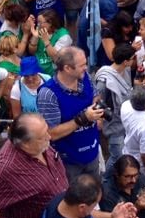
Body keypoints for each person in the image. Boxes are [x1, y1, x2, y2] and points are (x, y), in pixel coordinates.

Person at [38, 46, 105, 180]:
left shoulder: (84, 77)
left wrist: (98, 116)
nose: (86, 68)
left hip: (92, 153)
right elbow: (50, 133)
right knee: (74, 199)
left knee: (95, 195)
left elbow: (95, 96)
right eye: (82, 65)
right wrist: (83, 118)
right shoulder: (48, 94)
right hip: (69, 162)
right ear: (67, 68)